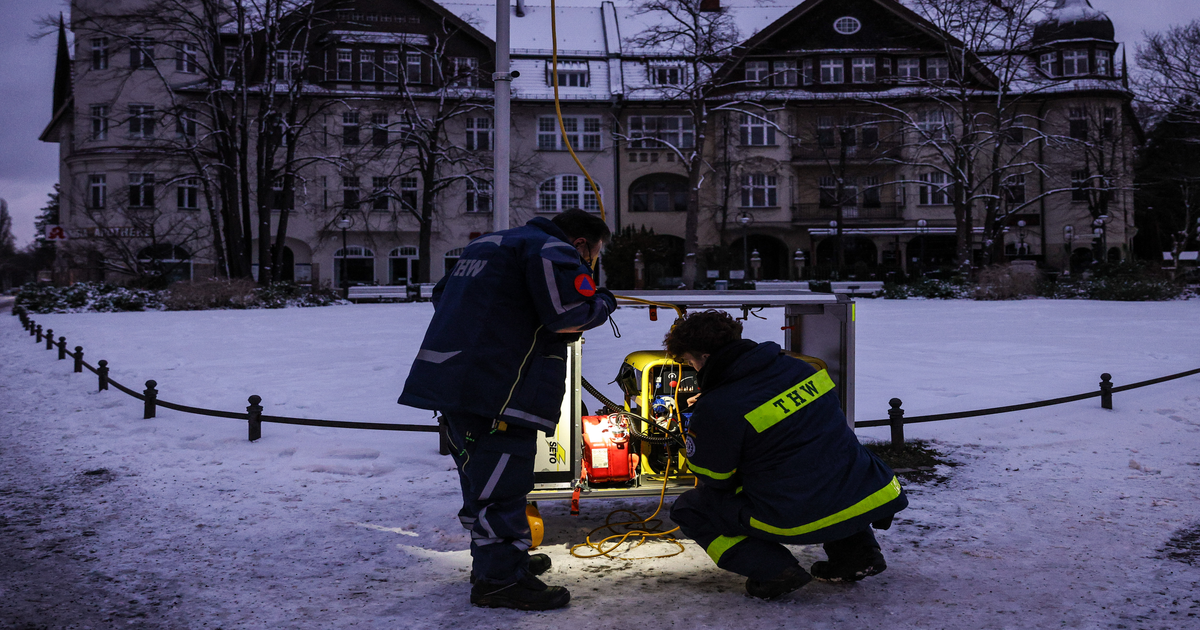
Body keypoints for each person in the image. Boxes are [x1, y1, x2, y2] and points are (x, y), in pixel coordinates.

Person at [399, 209, 617, 611]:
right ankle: (500, 581)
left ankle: (494, 562)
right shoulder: (552, 250)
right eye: (593, 256)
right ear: (581, 244)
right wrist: (604, 301)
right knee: (503, 482)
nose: (589, 264)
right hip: (498, 386)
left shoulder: (488, 244)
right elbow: (570, 313)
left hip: (452, 377)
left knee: (479, 477)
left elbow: (442, 295)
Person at [663, 310, 908, 600]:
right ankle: (858, 555)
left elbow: (714, 477)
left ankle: (774, 571)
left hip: (798, 513)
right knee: (822, 467)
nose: (691, 368)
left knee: (691, 508)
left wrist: (706, 431)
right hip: (866, 492)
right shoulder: (803, 370)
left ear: (704, 357)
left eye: (689, 362)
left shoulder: (718, 407)